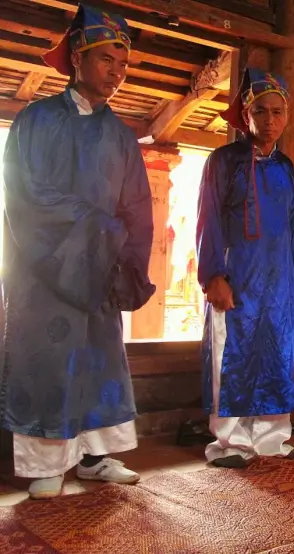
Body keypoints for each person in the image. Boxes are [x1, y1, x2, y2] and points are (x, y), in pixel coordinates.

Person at [1, 4, 154, 499]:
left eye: (124, 63)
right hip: (43, 272)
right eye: (108, 59)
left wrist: (123, 258)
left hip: (101, 272)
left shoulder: (120, 135)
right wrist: (98, 230)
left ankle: (95, 457)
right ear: (77, 59)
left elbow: (136, 206)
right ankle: (46, 463)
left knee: (100, 359)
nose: (118, 72)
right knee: (48, 359)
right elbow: (27, 196)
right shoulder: (36, 120)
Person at [196, 69, 294, 468]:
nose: (269, 120)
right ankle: (229, 443)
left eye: (277, 112)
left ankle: (271, 439)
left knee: (277, 355)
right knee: (234, 355)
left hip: (279, 279)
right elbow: (207, 219)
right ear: (245, 114)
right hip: (237, 275)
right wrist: (214, 275)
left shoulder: (285, 167)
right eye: (260, 111)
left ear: (286, 116)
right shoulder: (223, 162)